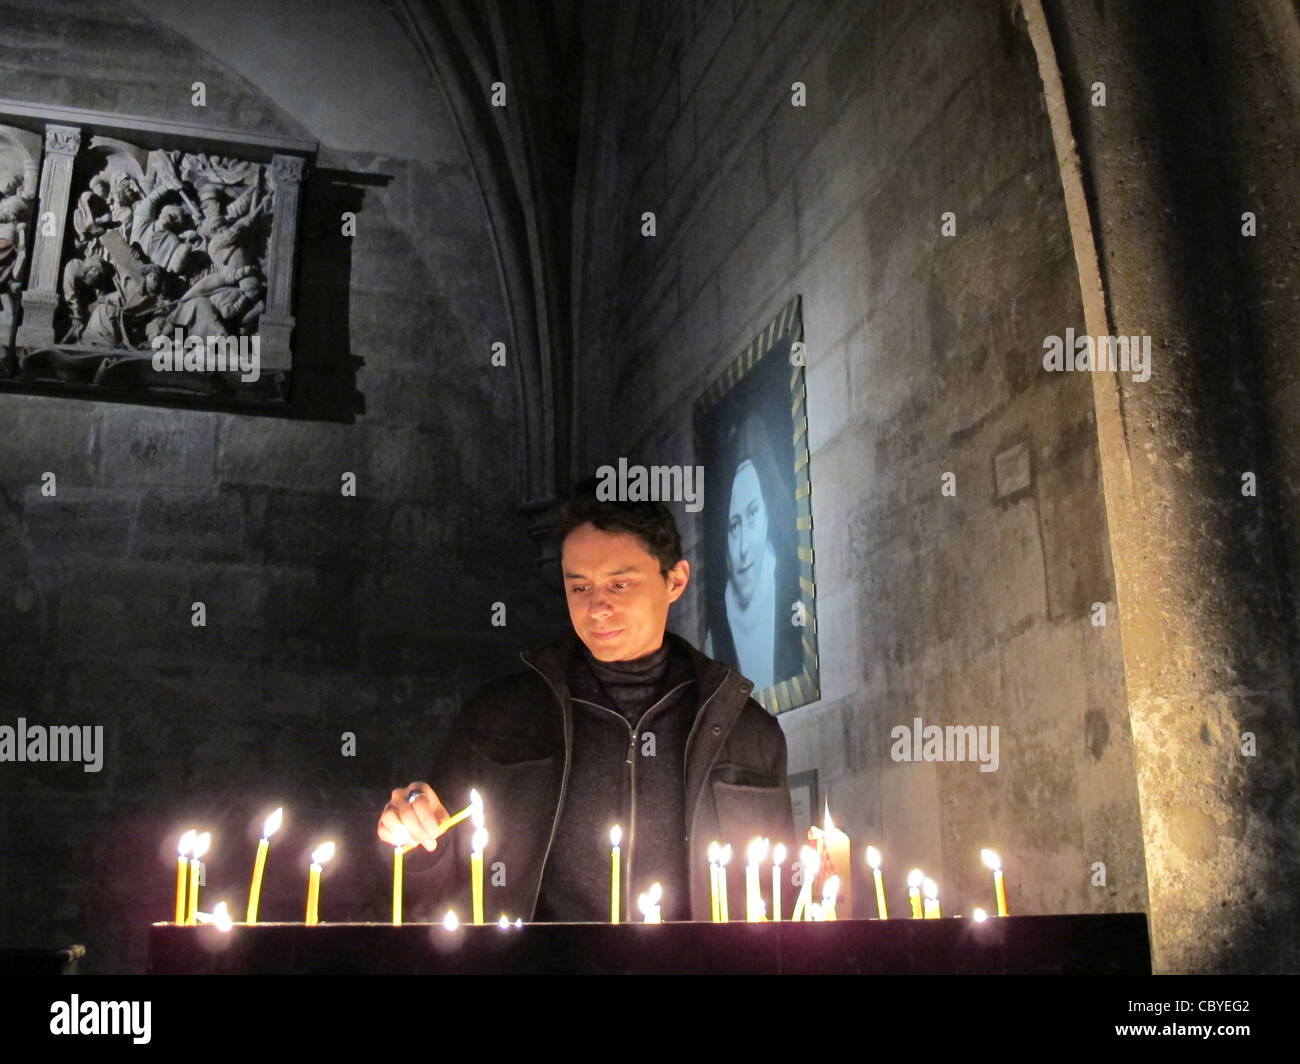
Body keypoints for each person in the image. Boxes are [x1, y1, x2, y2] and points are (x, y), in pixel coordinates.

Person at [376, 478, 795, 922]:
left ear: (675, 580)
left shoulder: (748, 733)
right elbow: (428, 886)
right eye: (580, 587)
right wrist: (413, 832)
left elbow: (781, 902)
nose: (597, 608)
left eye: (619, 585)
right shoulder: (498, 718)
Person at [704, 413, 804, 693]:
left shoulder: (796, 599)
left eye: (753, 514)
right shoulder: (714, 639)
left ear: (768, 514)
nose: (744, 547)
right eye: (733, 527)